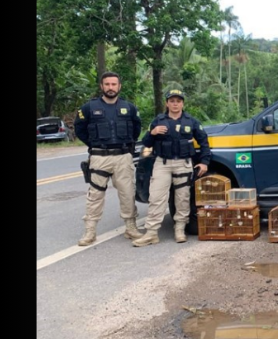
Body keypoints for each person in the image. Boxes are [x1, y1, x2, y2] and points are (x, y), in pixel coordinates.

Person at [133, 89, 211, 246]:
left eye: (178, 101)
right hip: (162, 164)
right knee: (156, 198)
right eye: (172, 101)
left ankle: (180, 229)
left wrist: (204, 162)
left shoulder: (191, 121)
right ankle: (151, 233)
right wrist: (153, 132)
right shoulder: (158, 120)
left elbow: (204, 143)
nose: (175, 104)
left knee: (182, 198)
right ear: (167, 103)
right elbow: (146, 143)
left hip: (183, 164)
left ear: (182, 103)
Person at [74, 71, 143, 246]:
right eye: (107, 84)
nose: (110, 87)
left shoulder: (129, 108)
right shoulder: (88, 108)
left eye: (114, 84)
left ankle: (131, 227)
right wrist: (95, 144)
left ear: (119, 86)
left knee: (127, 193)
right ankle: (90, 231)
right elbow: (79, 129)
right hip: (99, 157)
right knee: (95, 194)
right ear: (101, 86)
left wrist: (128, 146)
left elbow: (136, 129)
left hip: (123, 157)